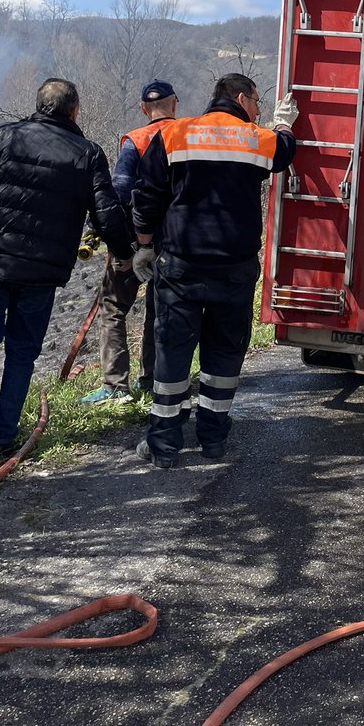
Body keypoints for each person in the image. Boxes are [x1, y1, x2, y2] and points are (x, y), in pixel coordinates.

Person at [131, 74, 297, 469]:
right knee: (224, 351)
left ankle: (164, 444)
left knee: (172, 350)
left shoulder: (174, 134)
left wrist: (144, 245)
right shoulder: (256, 138)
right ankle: (213, 439)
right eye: (256, 102)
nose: (257, 109)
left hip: (180, 265)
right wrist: (284, 123)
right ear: (241, 98)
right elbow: (284, 152)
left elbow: (147, 194)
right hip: (234, 268)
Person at [0, 79, 133, 463]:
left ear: (38, 105)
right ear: (74, 111)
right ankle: (4, 441)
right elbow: (106, 212)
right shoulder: (86, 153)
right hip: (40, 274)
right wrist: (124, 253)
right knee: (21, 353)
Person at [81, 80, 179, 405]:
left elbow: (120, 191)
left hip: (136, 240)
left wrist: (121, 245)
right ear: (175, 104)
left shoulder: (135, 140)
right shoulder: (188, 137)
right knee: (159, 310)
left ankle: (115, 386)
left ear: (143, 109)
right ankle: (151, 381)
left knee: (113, 307)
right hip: (176, 242)